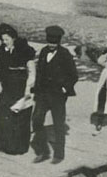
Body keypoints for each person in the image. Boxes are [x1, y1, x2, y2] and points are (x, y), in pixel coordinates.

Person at [31, 25, 78, 164]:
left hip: (57, 95)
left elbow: (74, 75)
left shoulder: (65, 54)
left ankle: (59, 154)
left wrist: (65, 88)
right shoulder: (44, 51)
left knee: (58, 123)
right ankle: (43, 152)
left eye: (54, 43)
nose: (51, 45)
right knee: (36, 120)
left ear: (59, 41)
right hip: (43, 94)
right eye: (49, 42)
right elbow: (40, 72)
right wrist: (36, 91)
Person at [0, 23, 36, 155]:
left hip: (21, 84)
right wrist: (0, 82)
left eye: (7, 39)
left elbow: (32, 71)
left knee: (20, 116)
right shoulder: (2, 50)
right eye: (3, 39)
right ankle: (4, 145)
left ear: (13, 38)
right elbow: (2, 68)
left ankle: (18, 147)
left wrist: (28, 89)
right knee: (2, 112)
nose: (4, 42)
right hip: (8, 85)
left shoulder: (24, 50)